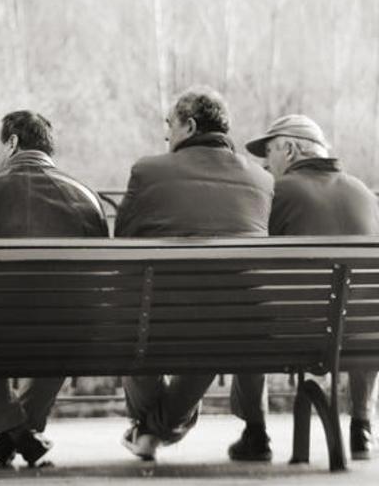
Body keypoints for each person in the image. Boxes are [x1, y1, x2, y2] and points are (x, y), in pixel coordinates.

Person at [116, 86, 274, 461]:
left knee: (130, 327)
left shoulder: (148, 171)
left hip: (160, 318)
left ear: (188, 125)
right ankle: (155, 427)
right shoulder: (262, 180)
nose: (166, 135)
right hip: (241, 323)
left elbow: (122, 240)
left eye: (169, 125)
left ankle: (152, 427)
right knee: (219, 329)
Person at [0, 110, 109, 467]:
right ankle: (21, 432)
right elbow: (96, 283)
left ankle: (13, 429)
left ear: (13, 143)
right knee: (68, 326)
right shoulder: (86, 197)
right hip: (64, 334)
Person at [232, 114, 379, 461]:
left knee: (244, 311)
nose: (265, 162)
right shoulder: (363, 193)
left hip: (290, 334)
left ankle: (256, 433)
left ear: (289, 149)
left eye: (270, 152)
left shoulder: (274, 193)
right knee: (367, 313)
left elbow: (246, 259)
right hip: (354, 336)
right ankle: (362, 430)